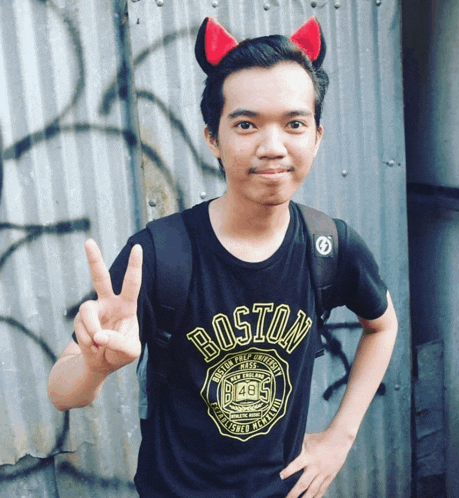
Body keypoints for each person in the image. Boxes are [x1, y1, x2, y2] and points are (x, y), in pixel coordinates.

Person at [47, 16, 398, 498]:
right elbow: (63, 391)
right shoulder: (159, 255)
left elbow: (383, 325)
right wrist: (94, 365)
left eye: (294, 123)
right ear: (213, 136)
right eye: (246, 124)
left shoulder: (329, 246)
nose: (272, 147)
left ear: (317, 134)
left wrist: (340, 437)